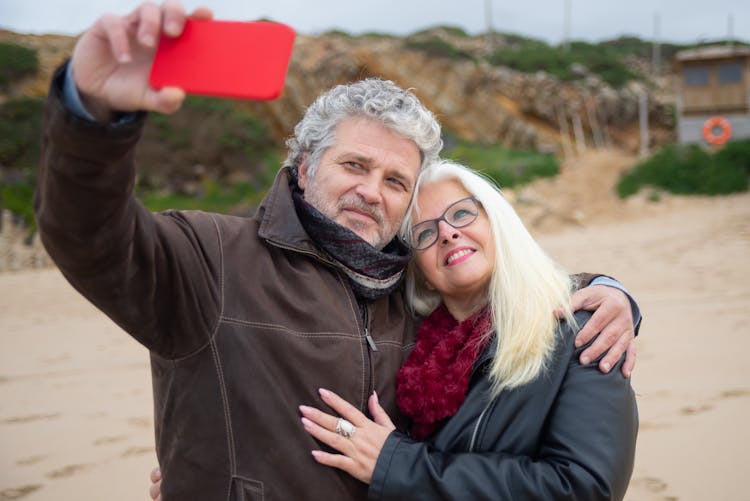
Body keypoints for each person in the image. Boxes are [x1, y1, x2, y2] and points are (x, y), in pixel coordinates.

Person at [35, 2, 640, 499]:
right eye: (354, 164)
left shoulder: (412, 298)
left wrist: (612, 295)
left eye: (396, 181)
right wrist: (92, 117)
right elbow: (90, 237)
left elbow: (504, 286)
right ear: (302, 169)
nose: (372, 192)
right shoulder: (211, 257)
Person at [298, 160, 638, 500]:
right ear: (421, 271)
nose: (447, 233)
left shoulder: (584, 330)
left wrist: (398, 466)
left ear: (497, 222)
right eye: (425, 233)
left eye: (461, 214)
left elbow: (584, 489)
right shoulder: (412, 351)